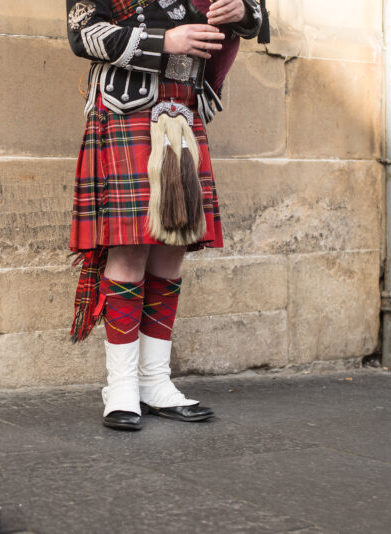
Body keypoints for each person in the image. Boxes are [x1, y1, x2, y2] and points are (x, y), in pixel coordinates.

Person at [66, 0, 262, 430]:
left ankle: (155, 382)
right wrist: (165, 40)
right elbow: (84, 33)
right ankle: (120, 388)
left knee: (173, 243)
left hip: (183, 107)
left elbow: (256, 19)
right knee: (130, 247)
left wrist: (242, 13)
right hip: (125, 108)